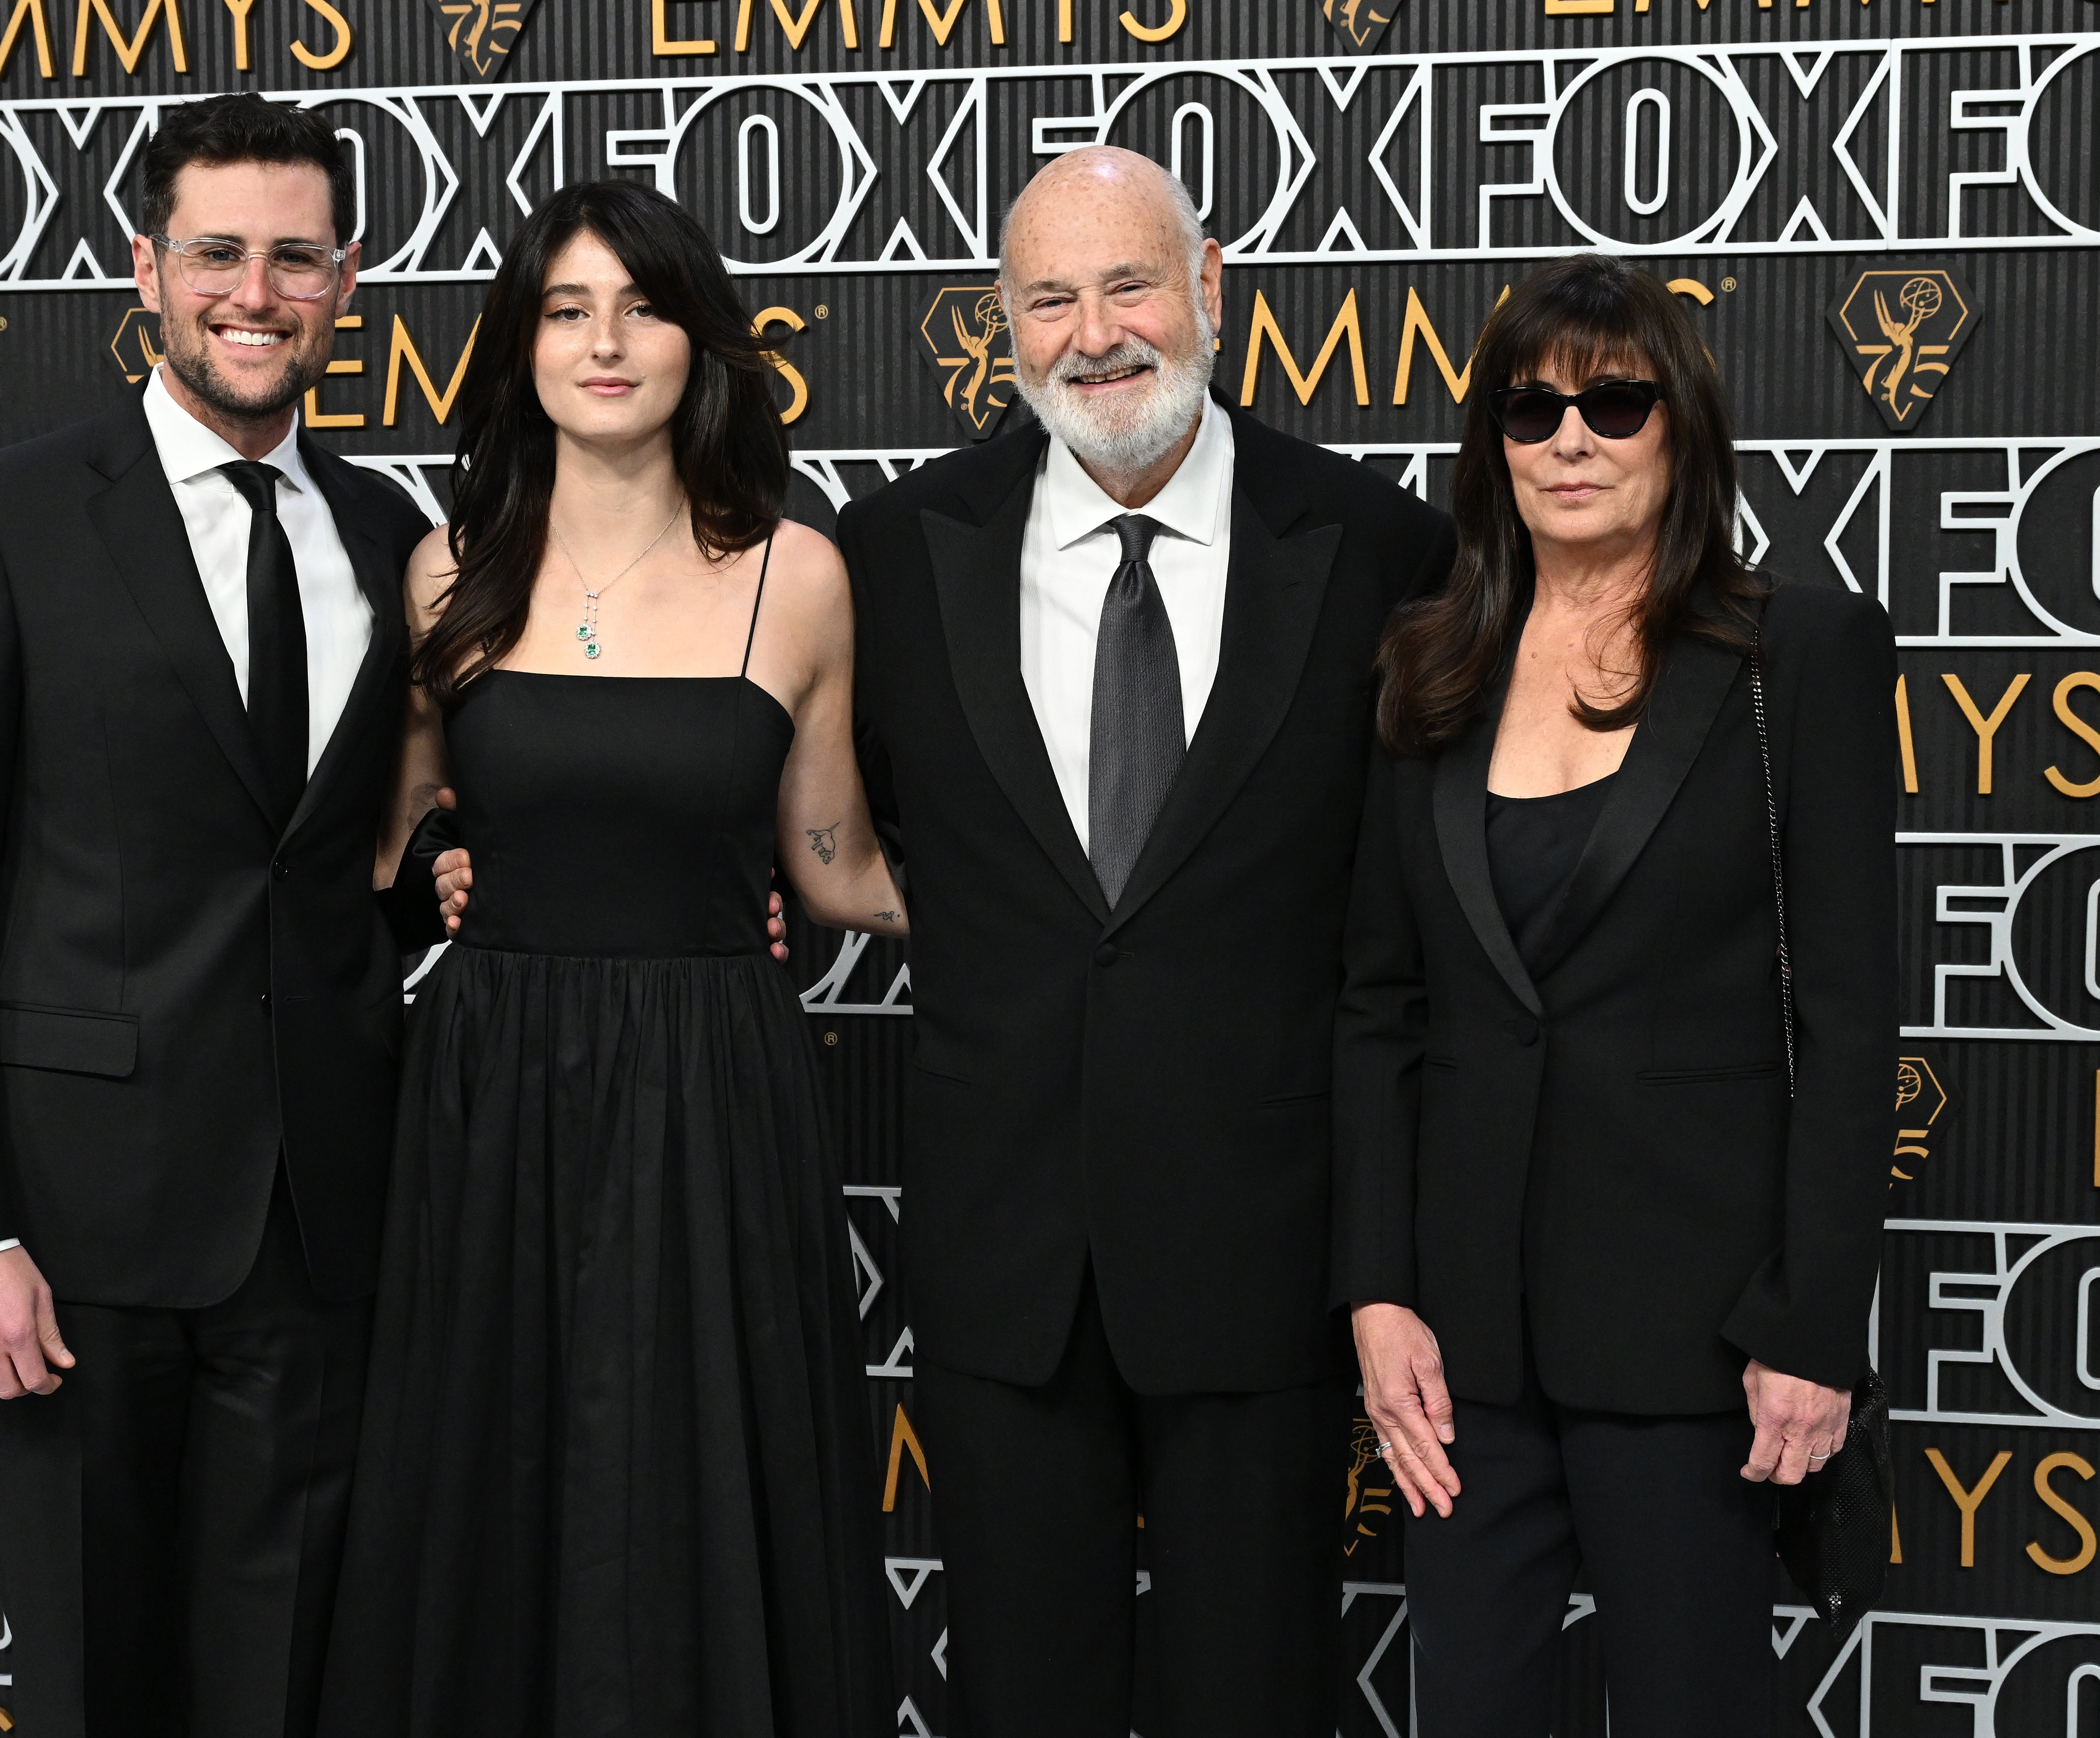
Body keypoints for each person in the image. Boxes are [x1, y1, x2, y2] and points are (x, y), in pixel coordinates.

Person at [833, 146, 1453, 1736]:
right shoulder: (895, 551)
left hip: (1264, 1251)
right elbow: (840, 826)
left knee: (1255, 1695)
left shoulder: (1374, 547)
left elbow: (1409, 932)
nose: (1095, 334)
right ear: (1004, 323)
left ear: (1210, 288)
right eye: (1050, 297)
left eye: (1129, 285)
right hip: (1004, 1255)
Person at [0, 95, 436, 1737]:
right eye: (218, 253)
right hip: (70, 1238)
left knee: (286, 1689)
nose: (256, 294)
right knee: (97, 1685)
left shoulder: (394, 535)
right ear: (147, 268)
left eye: (297, 259)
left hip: (322, 1227)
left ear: (345, 281)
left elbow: (350, 865)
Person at [322, 179, 898, 1737]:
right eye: (568, 310)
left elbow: (834, 864)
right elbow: (391, 850)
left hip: (719, 1090)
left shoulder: (795, 573)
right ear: (521, 346)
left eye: (642, 308)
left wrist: (1086, 914)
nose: (606, 342)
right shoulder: (444, 571)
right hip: (493, 1089)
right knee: (497, 1473)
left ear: (697, 340)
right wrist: (434, 873)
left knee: (701, 1473)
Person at [1334, 253, 1897, 1735]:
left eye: (1614, 403)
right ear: (1493, 447)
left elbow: (1850, 1027)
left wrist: (1812, 1329)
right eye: (1530, 411)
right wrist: (1378, 1291)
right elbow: (1381, 1007)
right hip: (1464, 1343)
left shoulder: (1796, 657)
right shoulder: (1428, 665)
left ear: (1680, 428)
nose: (1569, 440)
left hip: (1699, 1332)